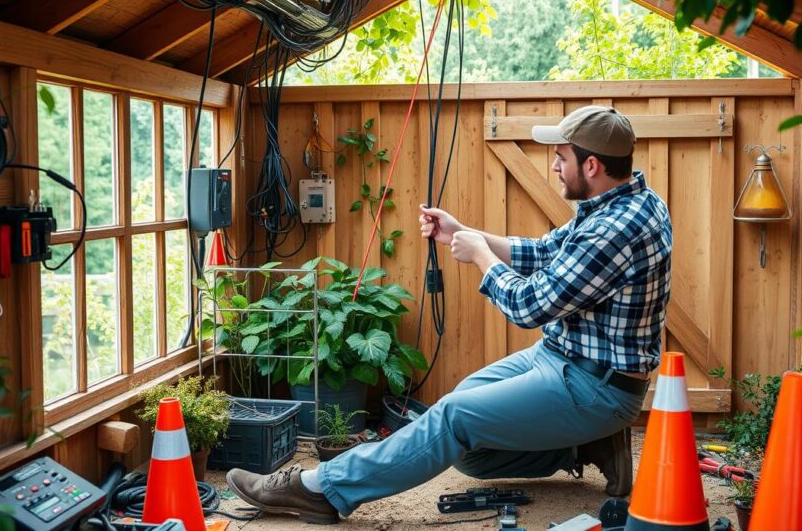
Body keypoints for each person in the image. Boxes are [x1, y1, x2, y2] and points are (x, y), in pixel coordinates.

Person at [226, 105, 673, 525]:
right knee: (464, 443)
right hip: (559, 359)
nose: (554, 166)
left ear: (591, 165)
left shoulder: (616, 228)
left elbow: (530, 306)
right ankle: (583, 448)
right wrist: (464, 233)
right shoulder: (622, 202)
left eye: (561, 158)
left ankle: (320, 488)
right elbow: (546, 252)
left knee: (454, 418)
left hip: (594, 387)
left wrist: (480, 255)